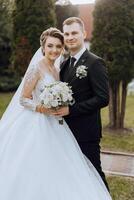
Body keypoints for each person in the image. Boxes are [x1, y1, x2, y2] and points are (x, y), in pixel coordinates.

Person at [0, 27, 112, 200]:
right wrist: (40, 108)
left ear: (62, 48)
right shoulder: (36, 69)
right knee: (36, 164)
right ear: (43, 47)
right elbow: (23, 99)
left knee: (60, 165)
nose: (54, 50)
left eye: (58, 46)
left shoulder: (59, 68)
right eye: (50, 46)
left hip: (56, 123)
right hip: (36, 123)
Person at [57, 17, 110, 190]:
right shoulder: (65, 64)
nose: (70, 37)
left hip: (87, 132)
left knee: (94, 173)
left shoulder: (95, 63)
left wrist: (70, 110)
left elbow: (103, 98)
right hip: (65, 132)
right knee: (73, 175)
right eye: (66, 34)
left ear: (84, 34)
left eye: (74, 33)